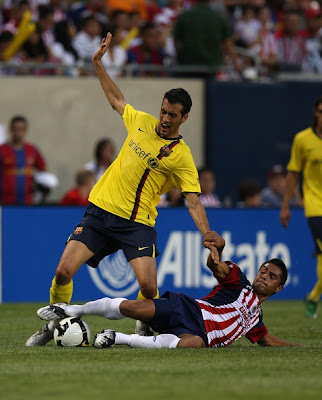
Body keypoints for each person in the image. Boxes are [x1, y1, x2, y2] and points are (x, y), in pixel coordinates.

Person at [25, 32, 224, 346]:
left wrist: (206, 234)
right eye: (163, 111)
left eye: (173, 115)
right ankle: (54, 327)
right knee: (63, 272)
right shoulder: (141, 121)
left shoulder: (182, 157)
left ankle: (144, 326)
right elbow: (117, 99)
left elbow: (194, 201)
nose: (165, 119)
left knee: (148, 287)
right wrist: (97, 63)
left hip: (137, 223)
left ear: (184, 118)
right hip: (100, 212)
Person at [37, 231, 300, 349]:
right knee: (132, 307)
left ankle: (118, 338)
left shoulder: (256, 320)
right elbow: (215, 266)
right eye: (264, 271)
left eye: (272, 276)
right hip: (189, 309)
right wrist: (217, 249)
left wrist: (298, 346)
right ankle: (71, 309)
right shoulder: (239, 282)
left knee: (194, 344)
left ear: (278, 288)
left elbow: (267, 340)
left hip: (199, 335)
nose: (264, 276)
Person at [280, 96, 322, 319]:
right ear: (315, 113)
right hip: (315, 206)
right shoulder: (303, 140)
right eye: (321, 111)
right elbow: (293, 173)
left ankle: (313, 297)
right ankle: (314, 298)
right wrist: (285, 205)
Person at [0, 115, 46, 205]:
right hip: (6, 201)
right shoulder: (2, 150)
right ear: (11, 130)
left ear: (25, 130)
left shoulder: (32, 149)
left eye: (21, 129)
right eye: (15, 129)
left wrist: (40, 186)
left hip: (27, 201)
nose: (18, 132)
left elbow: (43, 169)